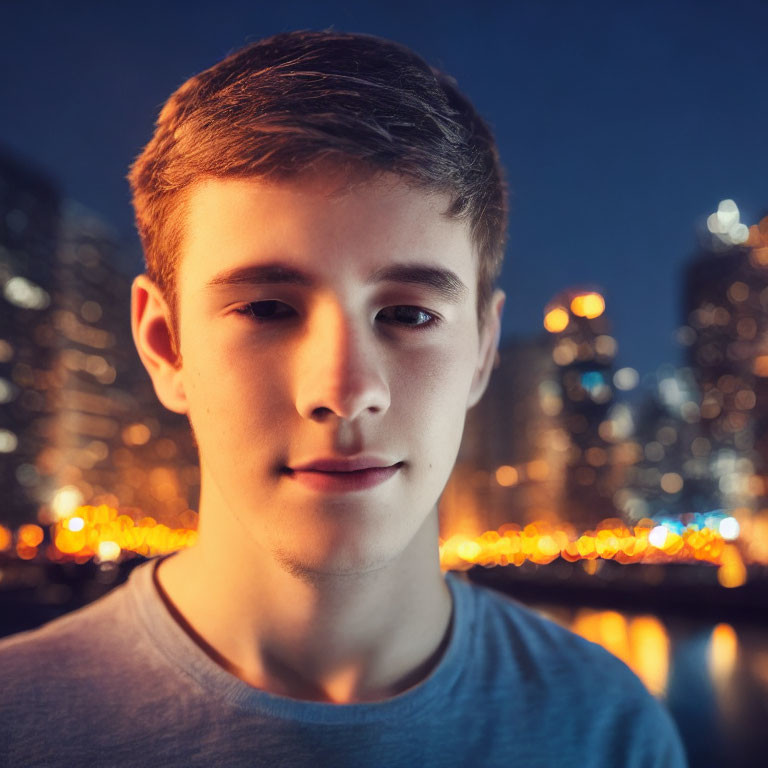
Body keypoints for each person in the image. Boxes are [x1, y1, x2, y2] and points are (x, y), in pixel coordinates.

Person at [0, 29, 687, 767]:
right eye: (266, 308)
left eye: (409, 314)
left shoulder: (607, 730)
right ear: (166, 347)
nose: (345, 392)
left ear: (483, 350)